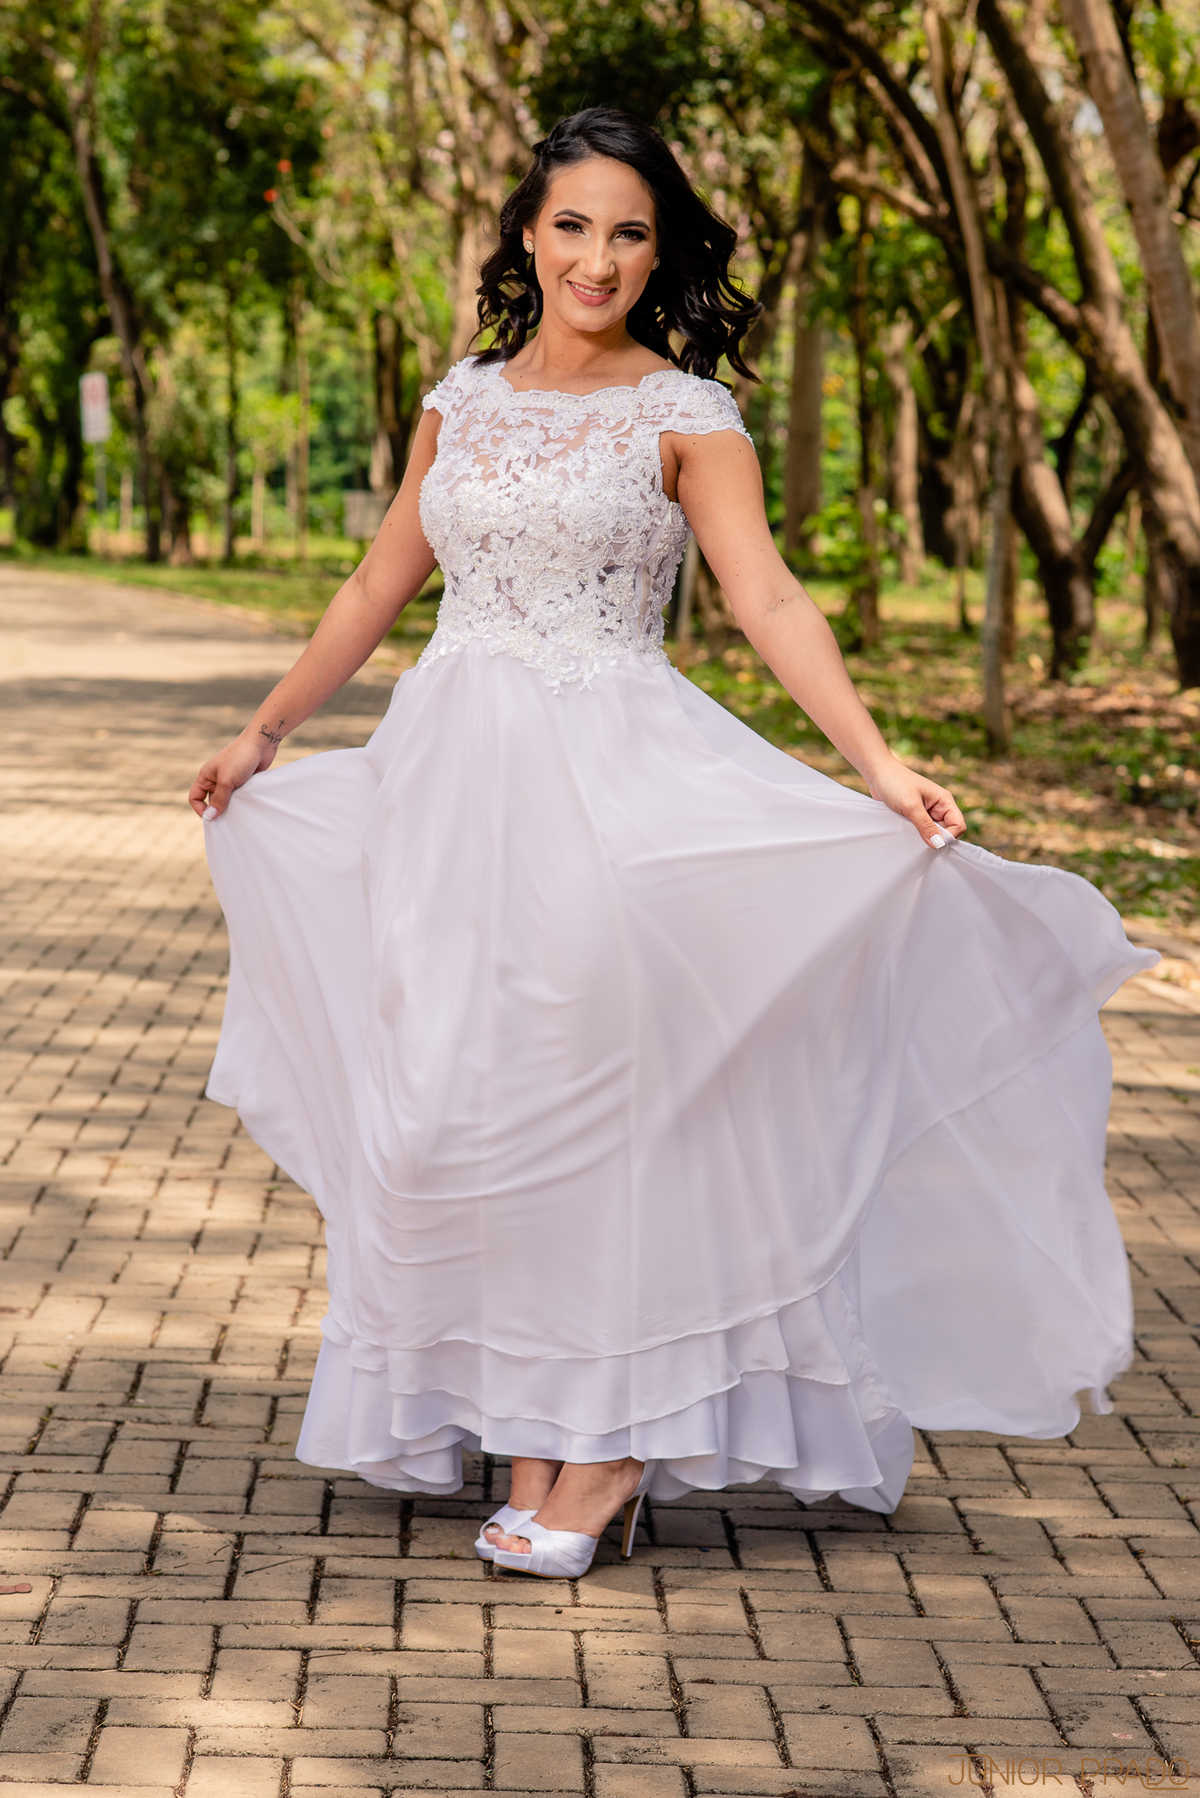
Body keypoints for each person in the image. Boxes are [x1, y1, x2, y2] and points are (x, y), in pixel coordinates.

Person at [190, 108, 1153, 1581]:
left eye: (630, 231)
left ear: (661, 251)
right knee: (463, 1099)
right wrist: (265, 728)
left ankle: (615, 1444)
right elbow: (383, 576)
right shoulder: (461, 396)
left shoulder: (685, 412)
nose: (599, 257)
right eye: (573, 224)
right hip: (446, 791)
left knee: (600, 1098)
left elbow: (768, 601)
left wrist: (878, 762)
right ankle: (529, 1418)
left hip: (611, 785)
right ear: (525, 233)